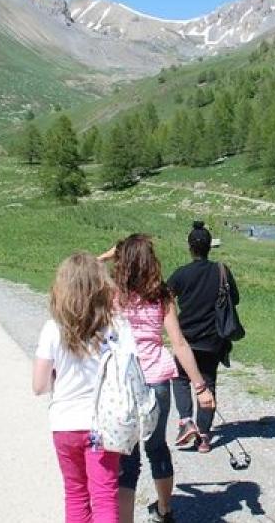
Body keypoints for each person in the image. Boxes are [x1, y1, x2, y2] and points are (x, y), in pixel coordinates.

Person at [102, 235, 216, 523]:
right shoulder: (161, 295)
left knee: (127, 454)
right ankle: (165, 510)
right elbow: (178, 343)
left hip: (123, 382)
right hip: (156, 380)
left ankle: (124, 518)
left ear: (122, 261)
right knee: (156, 447)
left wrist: (105, 257)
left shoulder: (113, 294)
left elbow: (87, 268)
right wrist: (200, 387)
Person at [32, 252, 124, 523]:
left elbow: (38, 386)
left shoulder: (53, 329)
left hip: (65, 423)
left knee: (76, 494)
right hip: (103, 423)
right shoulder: (113, 328)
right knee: (105, 496)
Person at [167, 220, 239, 453]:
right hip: (213, 338)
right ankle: (205, 437)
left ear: (190, 247)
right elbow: (235, 299)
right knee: (208, 382)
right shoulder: (221, 270)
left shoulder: (181, 274)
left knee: (180, 378)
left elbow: (165, 299)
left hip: (186, 339)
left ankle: (186, 421)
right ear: (210, 247)